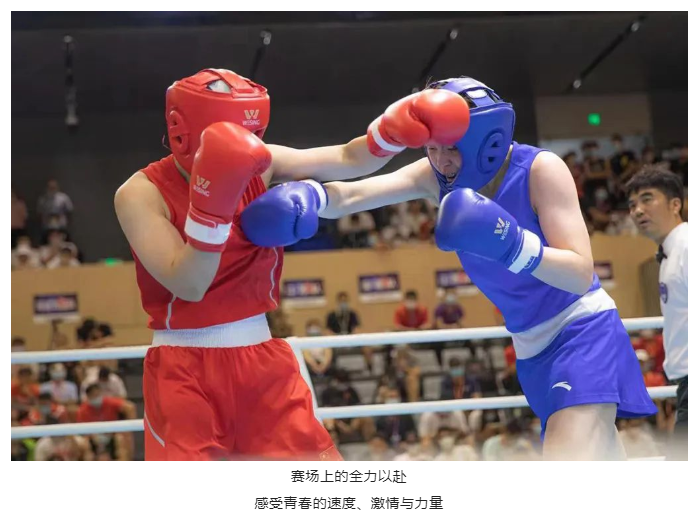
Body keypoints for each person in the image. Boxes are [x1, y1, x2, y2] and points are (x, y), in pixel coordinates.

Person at [243, 76, 656, 460]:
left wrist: (512, 244)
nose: (441, 161)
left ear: (486, 140)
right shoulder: (435, 176)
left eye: (451, 148)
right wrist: (310, 197)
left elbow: (580, 273)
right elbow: (354, 196)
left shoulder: (540, 170)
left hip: (581, 331)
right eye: (432, 148)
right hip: (530, 345)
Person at [115, 67, 467, 460]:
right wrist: (211, 208)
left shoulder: (261, 161)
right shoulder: (140, 194)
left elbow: (348, 157)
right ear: (185, 130)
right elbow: (190, 283)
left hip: (261, 357)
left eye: (252, 132)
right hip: (183, 368)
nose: (248, 142)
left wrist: (391, 132)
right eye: (237, 133)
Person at [626, 166, 687, 460]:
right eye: (632, 205)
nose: (638, 210)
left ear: (675, 204)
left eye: (647, 199)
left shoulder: (688, 247)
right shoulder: (669, 254)